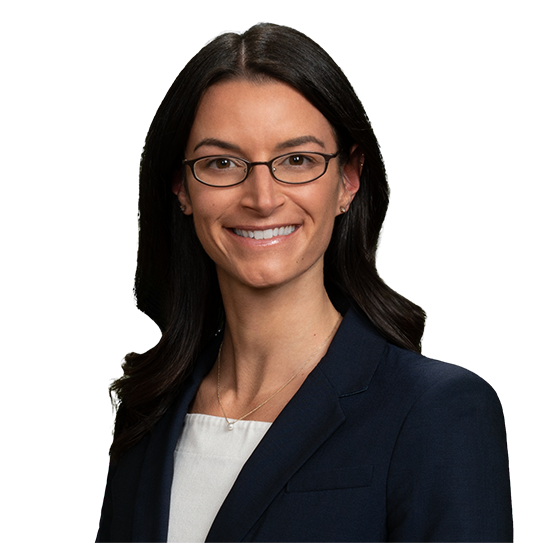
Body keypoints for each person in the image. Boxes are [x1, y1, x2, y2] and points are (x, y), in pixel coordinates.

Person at [96, 22, 513, 543]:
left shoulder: (436, 412)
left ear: (348, 179)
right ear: (182, 187)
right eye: (221, 163)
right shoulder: (149, 411)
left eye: (297, 160)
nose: (262, 198)